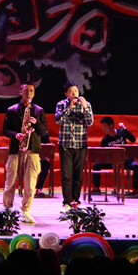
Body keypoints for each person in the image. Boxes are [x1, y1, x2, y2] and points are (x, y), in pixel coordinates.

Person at [2, 82, 48, 223]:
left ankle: (26, 211)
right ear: (20, 92)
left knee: (30, 183)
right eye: (26, 90)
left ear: (34, 93)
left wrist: (36, 123)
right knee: (10, 181)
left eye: (31, 91)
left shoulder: (39, 110)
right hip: (16, 150)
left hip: (32, 150)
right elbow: (5, 130)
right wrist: (15, 135)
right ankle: (7, 209)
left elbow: (43, 131)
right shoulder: (12, 110)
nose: (29, 93)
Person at [55, 81, 94, 212]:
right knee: (67, 175)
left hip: (80, 144)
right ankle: (67, 202)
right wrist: (69, 108)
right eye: (71, 92)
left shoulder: (86, 104)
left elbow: (90, 122)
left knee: (78, 175)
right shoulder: (61, 104)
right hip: (65, 144)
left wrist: (85, 108)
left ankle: (75, 202)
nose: (74, 94)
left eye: (76, 91)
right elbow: (58, 120)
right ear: (66, 94)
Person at [92, 116, 138, 197]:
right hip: (112, 162)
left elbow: (133, 139)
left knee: (136, 166)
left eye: (105, 126)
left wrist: (125, 128)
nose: (103, 129)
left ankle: (135, 190)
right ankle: (96, 188)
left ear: (111, 125)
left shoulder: (122, 132)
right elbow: (103, 155)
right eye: (102, 127)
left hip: (125, 160)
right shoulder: (105, 140)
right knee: (96, 165)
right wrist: (111, 161)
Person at [34, 131, 51, 198]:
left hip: (40, 158)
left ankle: (39, 188)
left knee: (46, 165)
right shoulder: (28, 132)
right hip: (29, 158)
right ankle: (29, 188)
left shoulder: (44, 133)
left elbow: (48, 147)